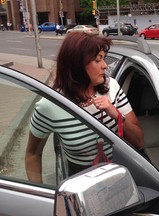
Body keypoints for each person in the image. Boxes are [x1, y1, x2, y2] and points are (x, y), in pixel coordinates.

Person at [25, 32, 144, 183]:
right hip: (82, 188)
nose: (105, 65)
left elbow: (139, 141)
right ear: (77, 66)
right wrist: (40, 196)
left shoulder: (112, 87)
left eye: (103, 58)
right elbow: (32, 154)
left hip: (120, 180)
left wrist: (116, 114)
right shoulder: (50, 105)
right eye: (97, 60)